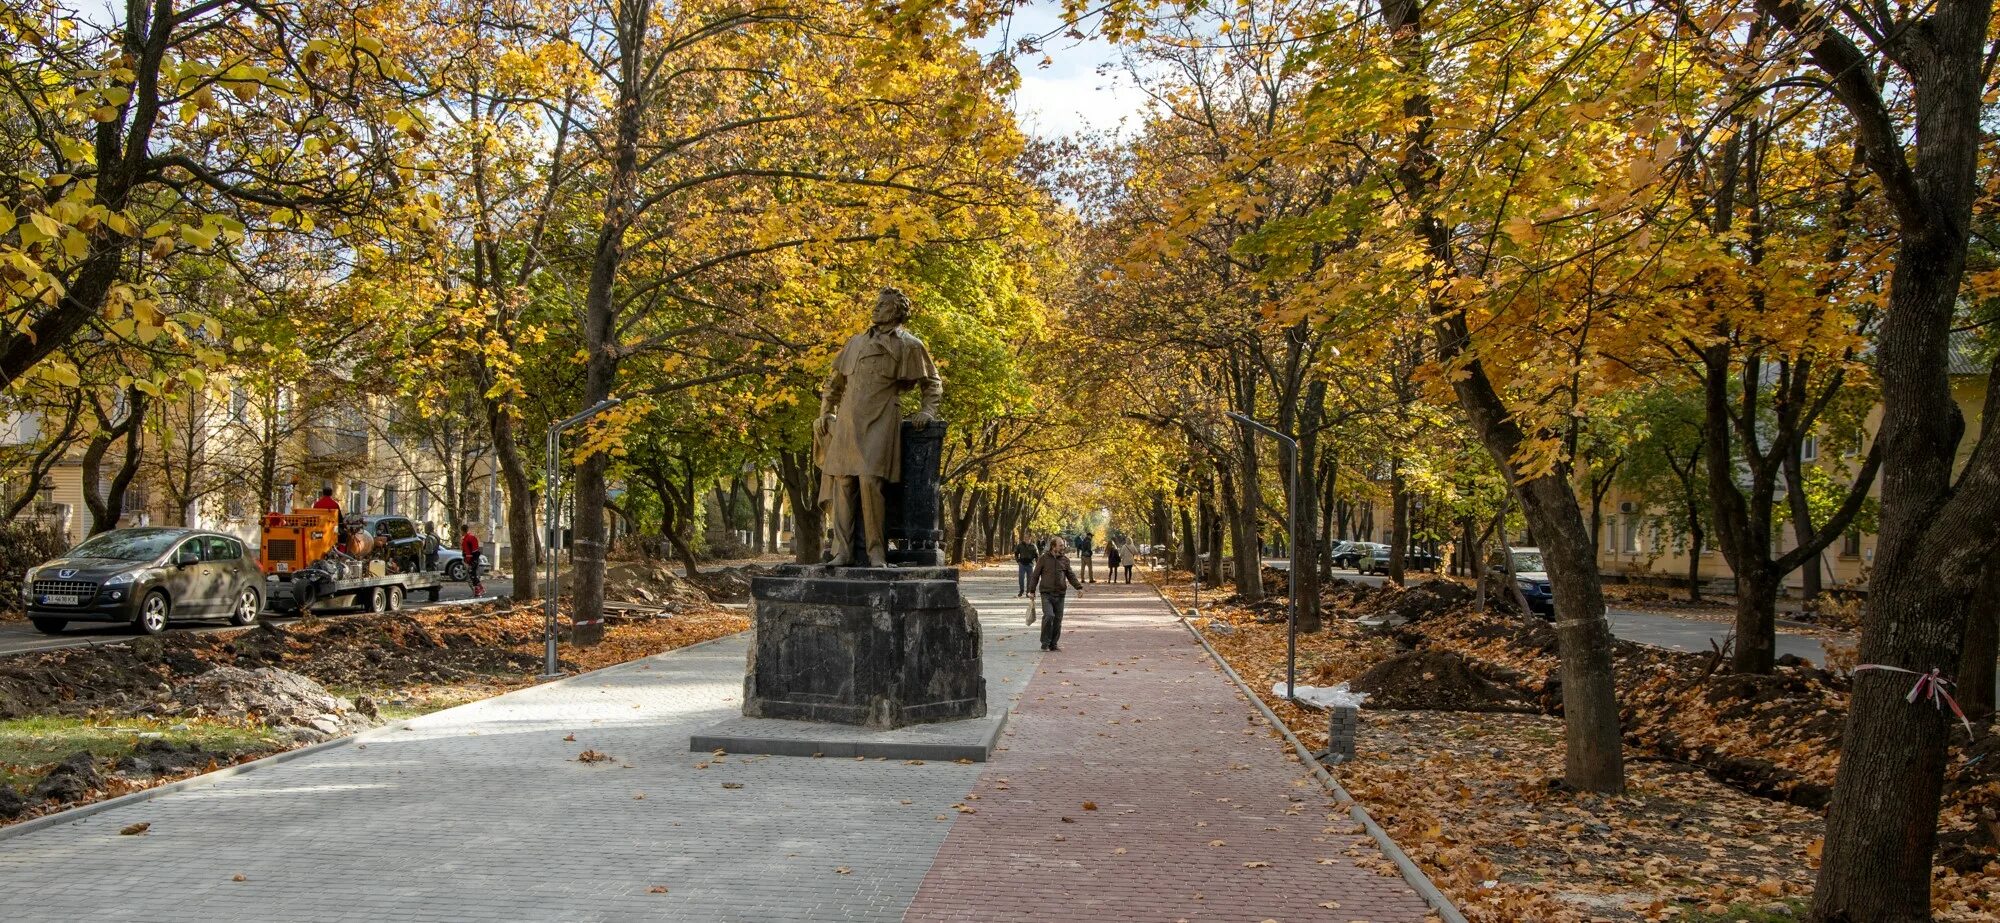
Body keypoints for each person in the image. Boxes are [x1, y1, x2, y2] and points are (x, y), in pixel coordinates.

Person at [1027, 537, 1083, 651]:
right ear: (1054, 546)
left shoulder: (1065, 560)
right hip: (1046, 593)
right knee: (1049, 616)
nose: (1063, 547)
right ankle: (1045, 643)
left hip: (1060, 594)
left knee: (1058, 620)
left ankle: (1053, 644)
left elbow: (1070, 575)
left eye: (1063, 545)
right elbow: (1035, 575)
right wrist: (1031, 591)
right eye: (1061, 545)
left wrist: (1079, 587)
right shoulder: (1043, 559)